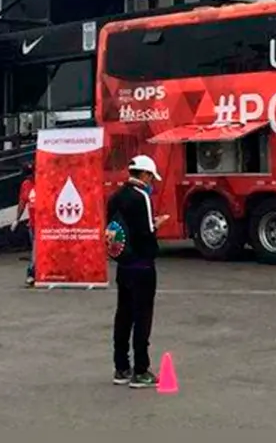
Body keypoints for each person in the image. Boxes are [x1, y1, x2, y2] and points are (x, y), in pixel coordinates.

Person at [106, 155, 169, 389]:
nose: (152, 181)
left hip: (123, 264)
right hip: (142, 265)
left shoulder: (115, 197)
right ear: (144, 175)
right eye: (151, 176)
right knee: (142, 317)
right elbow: (146, 233)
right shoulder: (141, 196)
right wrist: (157, 224)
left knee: (123, 315)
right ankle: (141, 370)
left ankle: (121, 367)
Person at [10, 161, 37, 286]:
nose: (29, 177)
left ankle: (35, 273)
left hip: (45, 223)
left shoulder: (43, 183)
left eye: (31, 175)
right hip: (33, 224)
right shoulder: (26, 185)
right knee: (35, 250)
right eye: (27, 175)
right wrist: (17, 219)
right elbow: (22, 202)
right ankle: (32, 273)